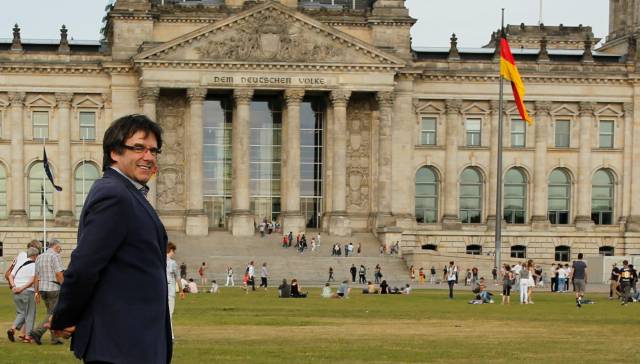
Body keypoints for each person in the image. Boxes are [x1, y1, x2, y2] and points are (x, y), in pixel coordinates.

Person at [50, 114, 173, 364]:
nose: (148, 157)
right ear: (115, 152)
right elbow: (84, 267)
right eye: (138, 148)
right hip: (120, 346)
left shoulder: (130, 195)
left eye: (153, 150)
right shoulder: (114, 195)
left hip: (133, 343)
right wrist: (64, 318)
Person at [30, 239, 65, 345]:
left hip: (43, 289)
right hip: (53, 288)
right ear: (56, 246)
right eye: (60, 247)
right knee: (52, 313)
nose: (60, 249)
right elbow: (59, 274)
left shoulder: (39, 257)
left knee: (52, 313)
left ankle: (55, 339)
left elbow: (36, 276)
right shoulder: (55, 256)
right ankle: (37, 332)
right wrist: (65, 286)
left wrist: (36, 292)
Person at [7, 247, 39, 343]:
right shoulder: (35, 265)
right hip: (27, 291)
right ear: (34, 256)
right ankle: (28, 337)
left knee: (21, 313)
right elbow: (32, 280)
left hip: (16, 292)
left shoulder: (20, 263)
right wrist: (22, 288)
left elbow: (10, 275)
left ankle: (12, 329)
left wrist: (13, 286)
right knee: (30, 314)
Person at [165, 242, 184, 340]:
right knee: (169, 313)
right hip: (170, 291)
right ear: (171, 250)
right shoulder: (173, 263)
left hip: (160, 291)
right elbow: (178, 278)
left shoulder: (158, 261)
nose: (174, 253)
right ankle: (170, 335)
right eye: (173, 251)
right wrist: (181, 290)